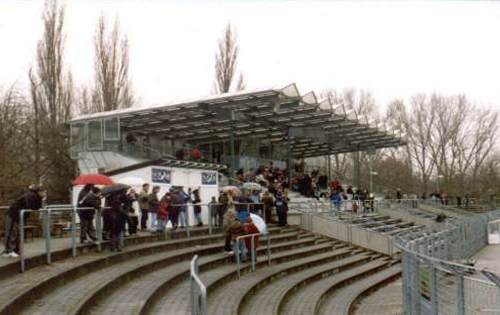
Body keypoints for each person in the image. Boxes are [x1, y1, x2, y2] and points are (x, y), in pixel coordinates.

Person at [2, 185, 44, 258]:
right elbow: (32, 206)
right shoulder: (31, 195)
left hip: (20, 216)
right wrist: (40, 200)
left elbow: (38, 207)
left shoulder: (36, 196)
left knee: (18, 233)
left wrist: (41, 199)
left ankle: (15, 250)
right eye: (43, 192)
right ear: (39, 192)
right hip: (14, 214)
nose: (44, 194)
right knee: (12, 232)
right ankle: (8, 251)